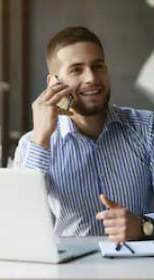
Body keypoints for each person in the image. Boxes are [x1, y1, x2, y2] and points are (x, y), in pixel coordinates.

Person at [13, 26, 154, 242]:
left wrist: (145, 226)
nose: (91, 78)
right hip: (67, 273)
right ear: (53, 83)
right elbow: (18, 219)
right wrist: (41, 139)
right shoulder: (32, 144)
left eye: (98, 67)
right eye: (76, 70)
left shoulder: (147, 129)